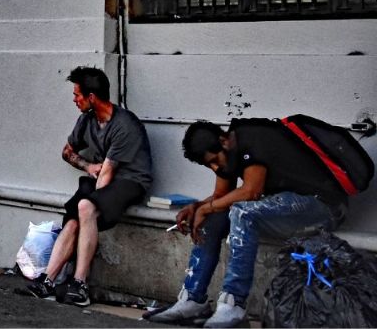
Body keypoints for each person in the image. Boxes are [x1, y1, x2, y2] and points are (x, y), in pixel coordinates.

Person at [146, 120, 348, 328]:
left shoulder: (253, 139)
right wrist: (197, 206)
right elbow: (220, 196)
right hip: (285, 207)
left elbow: (251, 192)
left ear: (224, 141)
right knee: (211, 217)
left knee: (241, 212)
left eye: (215, 160)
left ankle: (233, 304)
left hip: (321, 207)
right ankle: (192, 299)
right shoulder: (227, 152)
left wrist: (207, 207)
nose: (216, 167)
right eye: (209, 165)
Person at [26, 66, 153, 306]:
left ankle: (80, 284)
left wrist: (90, 206)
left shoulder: (124, 125)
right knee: (74, 217)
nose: (74, 99)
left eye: (77, 95)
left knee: (84, 208)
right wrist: (87, 166)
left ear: (91, 97)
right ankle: (48, 281)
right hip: (101, 176)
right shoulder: (87, 120)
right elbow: (67, 152)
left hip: (130, 181)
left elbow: (107, 174)